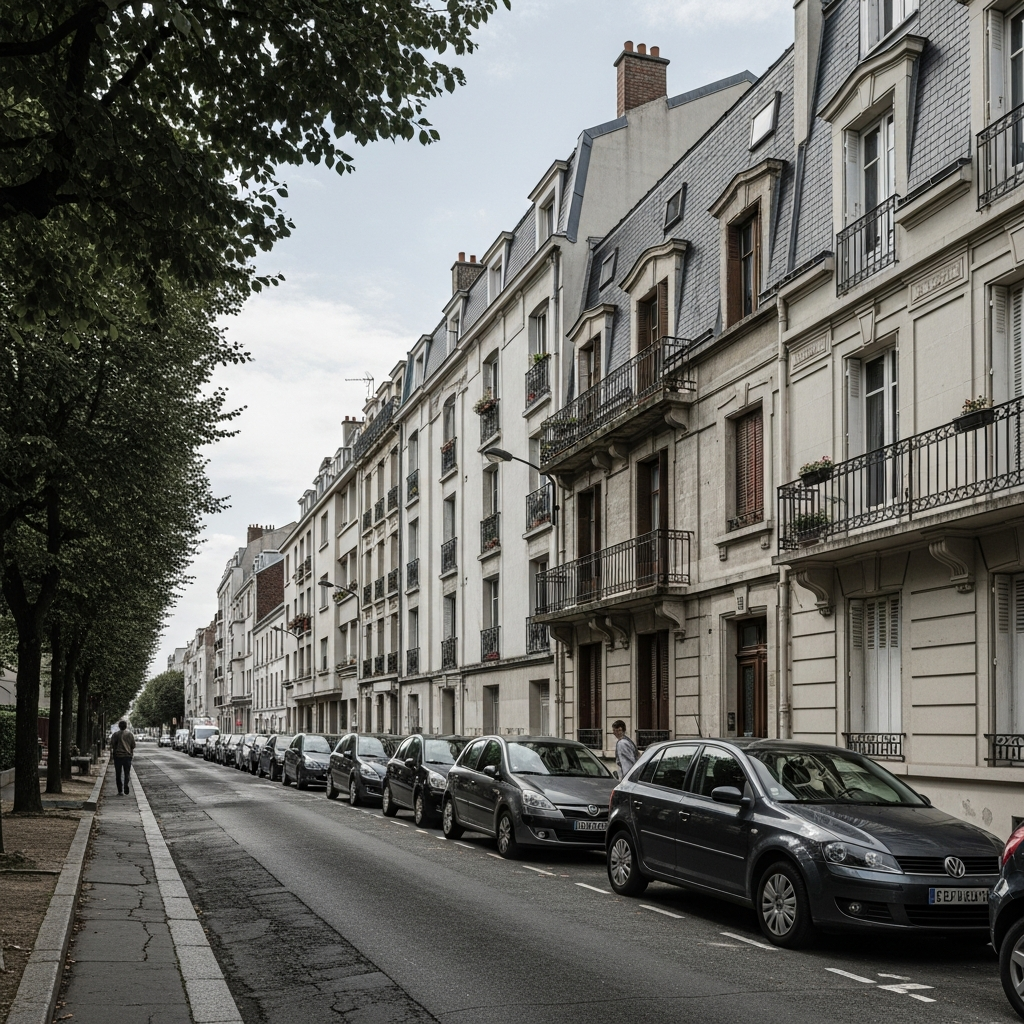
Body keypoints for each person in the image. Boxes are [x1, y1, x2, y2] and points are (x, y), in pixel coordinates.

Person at [111, 720, 136, 795]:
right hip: (127, 756)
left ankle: (120, 791)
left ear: (119, 726)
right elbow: (133, 745)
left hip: (118, 756)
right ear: (126, 726)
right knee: (127, 773)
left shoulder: (115, 735)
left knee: (118, 774)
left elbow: (112, 745)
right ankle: (126, 784)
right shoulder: (130, 734)